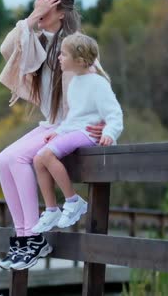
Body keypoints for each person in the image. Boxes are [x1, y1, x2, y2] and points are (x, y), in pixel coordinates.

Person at [0, 0, 105, 271]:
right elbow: (7, 49)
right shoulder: (39, 43)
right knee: (2, 160)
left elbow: (96, 86)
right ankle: (24, 237)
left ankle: (33, 236)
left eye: (46, 9)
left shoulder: (76, 46)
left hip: (75, 125)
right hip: (54, 123)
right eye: (37, 8)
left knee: (19, 159)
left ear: (61, 13)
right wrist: (32, 18)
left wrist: (95, 121)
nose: (40, 14)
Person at [31, 32, 123, 234]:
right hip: (76, 130)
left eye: (63, 54)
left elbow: (115, 114)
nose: (59, 58)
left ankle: (73, 201)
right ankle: (51, 209)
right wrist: (60, 132)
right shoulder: (75, 83)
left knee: (47, 154)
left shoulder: (98, 84)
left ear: (79, 61)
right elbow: (74, 117)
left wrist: (109, 132)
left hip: (90, 135)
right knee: (38, 160)